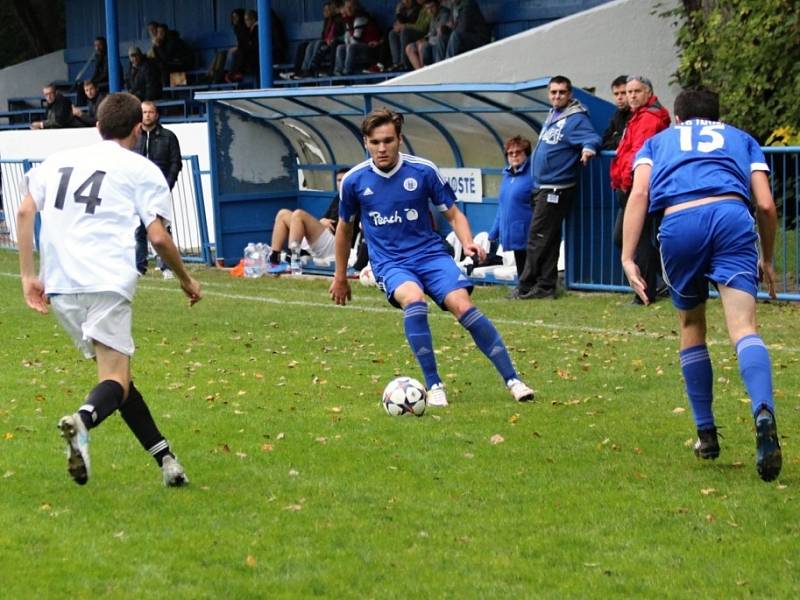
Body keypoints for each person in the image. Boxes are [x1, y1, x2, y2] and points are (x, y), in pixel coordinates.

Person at [16, 91, 202, 487]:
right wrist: (186, 280)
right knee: (114, 381)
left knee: (118, 380)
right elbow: (159, 238)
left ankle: (167, 460)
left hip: (62, 286)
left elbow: (23, 211)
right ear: (138, 128)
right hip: (106, 280)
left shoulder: (57, 161)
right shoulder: (141, 169)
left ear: (97, 126)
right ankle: (82, 422)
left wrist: (28, 275)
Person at [621, 88, 781, 482]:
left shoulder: (657, 142)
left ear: (677, 119)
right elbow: (765, 205)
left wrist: (628, 256)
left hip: (681, 221)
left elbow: (639, 192)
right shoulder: (742, 139)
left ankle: (706, 434)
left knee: (692, 325)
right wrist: (769, 258)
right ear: (718, 117)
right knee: (744, 328)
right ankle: (762, 410)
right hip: (731, 217)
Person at [329, 109, 534, 407]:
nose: (381, 148)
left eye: (388, 140)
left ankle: (513, 380)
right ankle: (434, 385)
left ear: (400, 139)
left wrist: (466, 242)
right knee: (414, 301)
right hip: (391, 262)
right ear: (366, 143)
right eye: (374, 142)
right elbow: (344, 230)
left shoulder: (423, 170)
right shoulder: (354, 181)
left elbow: (453, 213)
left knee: (463, 306)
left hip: (430, 255)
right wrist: (339, 277)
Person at [511, 75, 601, 299]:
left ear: (569, 94)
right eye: (553, 92)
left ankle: (525, 286)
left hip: (556, 188)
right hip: (543, 186)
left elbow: (592, 138)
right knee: (548, 239)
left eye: (562, 92)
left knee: (537, 237)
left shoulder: (575, 117)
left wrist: (588, 148)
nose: (557, 96)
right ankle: (545, 287)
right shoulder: (554, 114)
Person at [611, 76, 671, 304]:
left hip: (638, 186)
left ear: (648, 92)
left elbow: (638, 154)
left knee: (634, 238)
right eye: (629, 92)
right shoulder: (638, 116)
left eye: (637, 91)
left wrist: (626, 181)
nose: (632, 96)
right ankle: (663, 280)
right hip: (630, 184)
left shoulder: (649, 118)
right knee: (625, 237)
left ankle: (646, 292)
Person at [268, 168, 354, 273]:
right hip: (324, 239)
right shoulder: (338, 198)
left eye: (344, 180)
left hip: (337, 244)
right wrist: (322, 221)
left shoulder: (355, 198)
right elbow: (325, 220)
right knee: (283, 214)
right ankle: (274, 261)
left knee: (298, 214)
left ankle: (295, 258)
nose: (341, 183)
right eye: (338, 180)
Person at [133, 101, 182, 278]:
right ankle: (139, 266)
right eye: (144, 112)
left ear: (157, 114)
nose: (147, 115)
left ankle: (166, 266)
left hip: (160, 189)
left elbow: (176, 163)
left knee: (162, 226)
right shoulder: (135, 136)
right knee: (139, 228)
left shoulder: (168, 137)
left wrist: (167, 184)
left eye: (150, 112)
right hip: (139, 190)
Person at [488, 136, 534, 278]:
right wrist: (494, 232)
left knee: (531, 265)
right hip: (513, 232)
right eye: (510, 153)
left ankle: (529, 289)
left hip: (528, 232)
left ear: (526, 154)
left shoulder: (533, 175)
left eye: (518, 152)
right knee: (521, 263)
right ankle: (523, 289)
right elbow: (502, 206)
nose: (514, 156)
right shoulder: (507, 176)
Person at [601, 75, 632, 253]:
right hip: (621, 185)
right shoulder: (616, 116)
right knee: (621, 239)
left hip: (634, 186)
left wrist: (619, 140)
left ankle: (659, 280)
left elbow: (630, 142)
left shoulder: (638, 116)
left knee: (633, 240)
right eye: (616, 94)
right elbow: (605, 141)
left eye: (624, 93)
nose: (620, 97)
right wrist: (619, 140)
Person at [333, 0, 382, 76]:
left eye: (351, 7)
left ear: (356, 7)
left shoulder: (360, 17)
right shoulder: (348, 20)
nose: (348, 10)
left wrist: (348, 44)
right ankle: (338, 71)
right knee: (340, 47)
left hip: (371, 47)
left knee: (351, 46)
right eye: (347, 7)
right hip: (359, 46)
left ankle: (347, 71)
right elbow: (347, 37)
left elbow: (356, 40)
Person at [406, 0, 451, 70]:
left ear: (437, 5)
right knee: (409, 48)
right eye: (427, 8)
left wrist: (426, 40)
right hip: (431, 40)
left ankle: (424, 72)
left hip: (438, 42)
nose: (430, 10)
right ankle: (419, 72)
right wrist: (424, 39)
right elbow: (431, 32)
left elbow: (439, 34)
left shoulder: (444, 13)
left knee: (422, 45)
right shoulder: (433, 16)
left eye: (432, 7)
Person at [387, 0, 429, 71]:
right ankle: (397, 63)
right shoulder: (422, 9)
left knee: (405, 31)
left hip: (424, 33)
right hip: (415, 30)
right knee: (392, 33)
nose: (405, 2)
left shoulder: (422, 8)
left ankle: (404, 63)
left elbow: (422, 28)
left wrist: (404, 25)